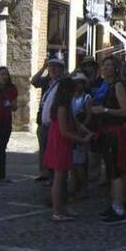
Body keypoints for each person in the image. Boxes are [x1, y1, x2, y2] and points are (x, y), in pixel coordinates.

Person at [90, 56, 126, 225]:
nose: (105, 68)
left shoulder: (118, 85)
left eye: (109, 66)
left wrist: (104, 109)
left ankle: (119, 208)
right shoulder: (105, 86)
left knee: (117, 170)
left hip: (115, 132)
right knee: (111, 170)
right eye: (104, 66)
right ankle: (114, 204)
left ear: (115, 69)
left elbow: (124, 111)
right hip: (106, 131)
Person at [44, 78, 92, 222]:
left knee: (63, 177)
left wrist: (87, 131)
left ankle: (62, 208)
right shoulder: (62, 107)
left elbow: (76, 123)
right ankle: (57, 211)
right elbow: (64, 131)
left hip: (63, 143)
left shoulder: (66, 105)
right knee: (59, 178)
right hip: (60, 144)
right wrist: (83, 139)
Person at [31, 57, 66, 183]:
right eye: (51, 66)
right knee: (43, 148)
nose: (53, 69)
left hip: (55, 122)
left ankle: (52, 176)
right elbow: (34, 81)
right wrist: (43, 68)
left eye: (56, 67)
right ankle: (44, 172)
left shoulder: (63, 83)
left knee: (53, 149)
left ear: (62, 69)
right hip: (42, 121)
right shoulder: (46, 81)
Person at [70, 72, 94, 197]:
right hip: (72, 131)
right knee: (72, 163)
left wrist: (82, 128)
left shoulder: (86, 98)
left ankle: (83, 187)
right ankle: (74, 187)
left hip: (81, 131)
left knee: (79, 163)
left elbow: (89, 116)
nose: (76, 85)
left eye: (79, 83)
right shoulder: (70, 97)